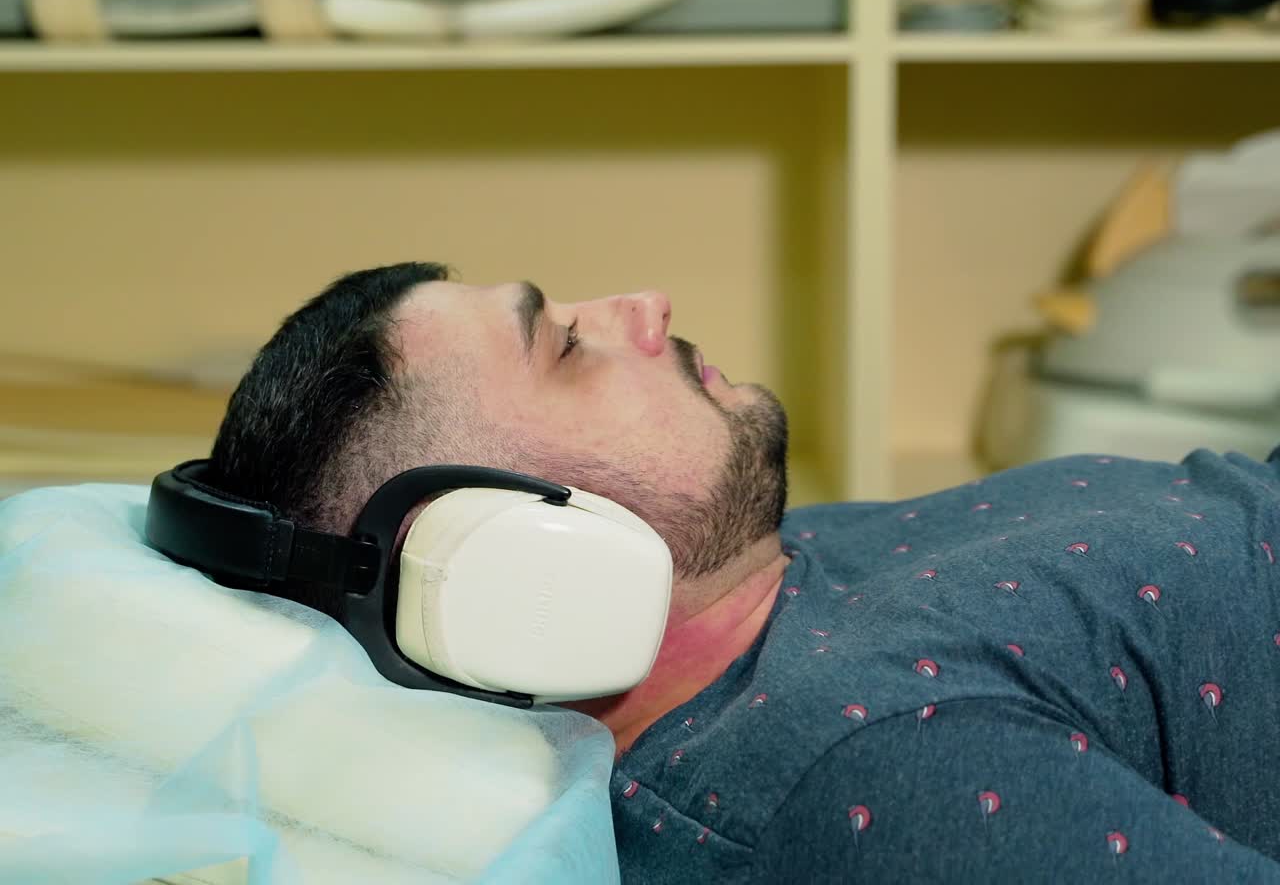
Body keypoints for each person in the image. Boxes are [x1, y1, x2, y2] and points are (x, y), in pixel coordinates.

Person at [207, 263, 1280, 883]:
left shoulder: (748, 578)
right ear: (496, 558)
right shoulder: (870, 775)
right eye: (565, 347)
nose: (643, 302)